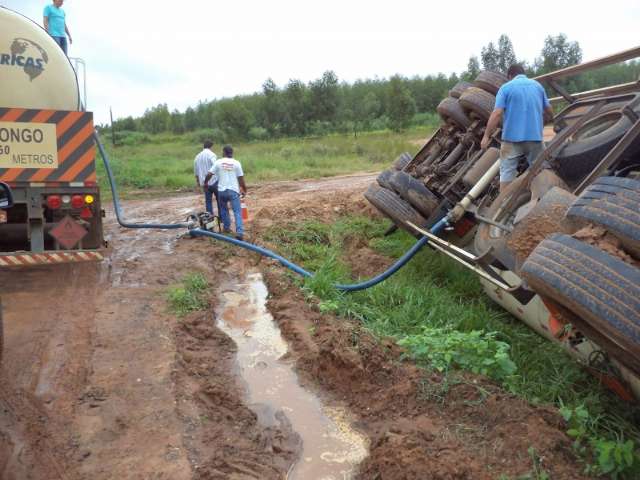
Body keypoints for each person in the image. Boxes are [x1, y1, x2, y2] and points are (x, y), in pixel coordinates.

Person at [481, 64, 554, 192]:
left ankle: (503, 205)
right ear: (523, 73)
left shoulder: (505, 88)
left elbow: (497, 113)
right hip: (534, 138)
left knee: (507, 174)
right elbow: (548, 110)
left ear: (509, 76)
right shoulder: (537, 86)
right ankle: (541, 198)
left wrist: (486, 136)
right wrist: (550, 120)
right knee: (540, 170)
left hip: (511, 140)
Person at [204, 145, 247, 240]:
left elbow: (209, 174)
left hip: (221, 191)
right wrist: (244, 189)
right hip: (233, 191)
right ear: (232, 153)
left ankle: (227, 228)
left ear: (223, 152)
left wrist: (206, 183)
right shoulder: (237, 163)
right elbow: (241, 179)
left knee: (224, 210)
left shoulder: (218, 162)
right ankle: (239, 232)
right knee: (237, 211)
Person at [194, 140, 218, 215]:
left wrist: (198, 183)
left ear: (204, 146)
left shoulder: (197, 157)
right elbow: (216, 167)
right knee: (219, 200)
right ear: (211, 147)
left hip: (205, 184)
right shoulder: (212, 155)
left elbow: (196, 172)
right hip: (214, 181)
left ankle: (210, 220)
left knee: (208, 202)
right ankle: (221, 219)